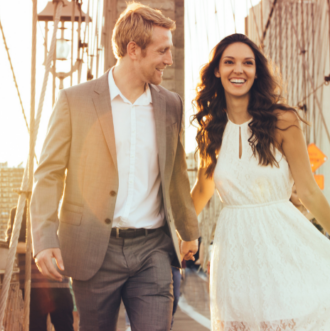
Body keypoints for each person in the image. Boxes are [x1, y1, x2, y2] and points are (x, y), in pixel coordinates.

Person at [189, 34, 330, 330]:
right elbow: (202, 191)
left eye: (247, 63)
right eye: (229, 62)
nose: (238, 70)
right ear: (217, 70)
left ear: (257, 72)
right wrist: (178, 234)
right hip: (233, 250)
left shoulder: (283, 121)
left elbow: (309, 191)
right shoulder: (211, 130)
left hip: (281, 245)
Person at [29, 3, 200, 330]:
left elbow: (176, 174)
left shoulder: (171, 104)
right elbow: (48, 173)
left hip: (153, 250)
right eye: (163, 51)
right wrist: (45, 238)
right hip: (94, 249)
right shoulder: (73, 100)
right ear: (133, 50)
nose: (170, 60)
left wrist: (189, 231)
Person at [8, 208, 75, 331]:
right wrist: (42, 249)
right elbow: (13, 245)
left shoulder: (60, 208)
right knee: (36, 327)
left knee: (65, 326)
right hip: (33, 285)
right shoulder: (20, 211)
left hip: (60, 282)